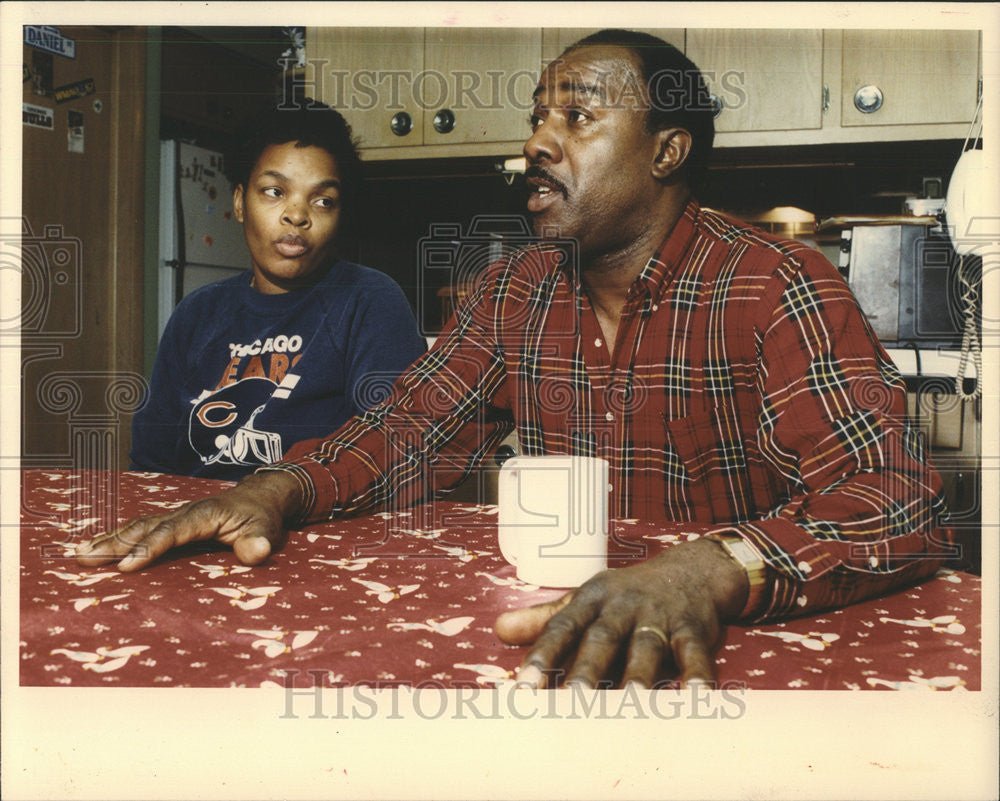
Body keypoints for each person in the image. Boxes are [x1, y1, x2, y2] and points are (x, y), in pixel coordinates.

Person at [79, 31, 950, 689]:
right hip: (545, 638)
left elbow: (899, 497)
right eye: (538, 115)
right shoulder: (514, 292)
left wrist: (709, 569)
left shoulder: (772, 284)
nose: (538, 141)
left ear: (667, 151)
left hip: (724, 659)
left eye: (577, 117)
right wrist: (271, 489)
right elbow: (403, 432)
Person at [129, 102, 426, 480]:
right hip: (194, 522)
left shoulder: (368, 300)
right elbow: (150, 463)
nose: (297, 215)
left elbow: (390, 452)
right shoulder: (197, 313)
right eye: (274, 191)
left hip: (313, 527)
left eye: (323, 201)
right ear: (240, 203)